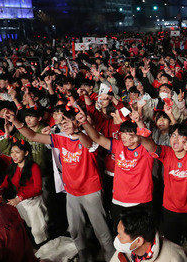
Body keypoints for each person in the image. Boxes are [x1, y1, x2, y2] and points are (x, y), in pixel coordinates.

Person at [6, 108, 115, 261]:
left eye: (68, 122)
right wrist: (16, 122)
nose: (65, 125)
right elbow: (33, 135)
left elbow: (88, 144)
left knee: (101, 231)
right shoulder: (59, 139)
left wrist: (76, 131)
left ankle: (111, 257)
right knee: (76, 231)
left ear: (77, 123)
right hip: (71, 192)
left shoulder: (88, 136)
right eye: (62, 122)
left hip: (90, 190)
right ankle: (85, 259)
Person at [138, 123, 187, 262]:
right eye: (173, 135)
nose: (175, 139)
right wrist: (140, 137)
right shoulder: (167, 153)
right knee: (171, 248)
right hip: (170, 210)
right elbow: (152, 146)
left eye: (180, 136)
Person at [79, 114, 154, 230]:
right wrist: (85, 122)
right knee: (120, 234)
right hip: (118, 201)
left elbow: (150, 144)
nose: (124, 136)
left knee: (140, 236)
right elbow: (97, 138)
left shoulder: (145, 149)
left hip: (140, 202)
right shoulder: (118, 145)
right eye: (122, 133)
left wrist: (139, 126)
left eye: (128, 133)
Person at [0, 138, 49, 245]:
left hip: (33, 202)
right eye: (12, 152)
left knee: (38, 232)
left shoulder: (34, 167)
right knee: (27, 226)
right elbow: (5, 183)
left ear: (26, 153)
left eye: (17, 152)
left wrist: (20, 198)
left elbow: (38, 189)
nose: (14, 155)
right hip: (19, 201)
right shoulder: (13, 166)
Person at [110, 207, 187, 262]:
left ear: (139, 241)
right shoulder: (125, 250)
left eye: (120, 236)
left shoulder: (173, 257)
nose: (117, 238)